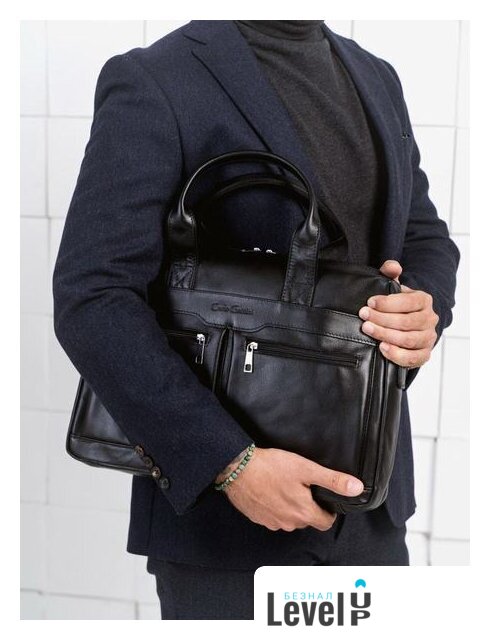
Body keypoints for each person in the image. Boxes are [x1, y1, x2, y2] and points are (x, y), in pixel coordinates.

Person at [52, 20, 460, 620]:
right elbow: (92, 296)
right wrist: (229, 464)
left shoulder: (376, 75)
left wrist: (424, 306)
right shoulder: (156, 78)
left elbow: (424, 235)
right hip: (228, 530)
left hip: (371, 510)